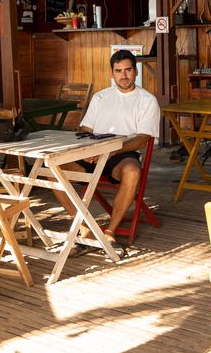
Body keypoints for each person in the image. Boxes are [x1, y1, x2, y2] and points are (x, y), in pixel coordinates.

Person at [54, 49, 160, 246]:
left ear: (135, 71)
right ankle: (85, 227)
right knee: (52, 171)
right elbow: (85, 129)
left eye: (128, 70)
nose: (124, 75)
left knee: (132, 172)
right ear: (112, 73)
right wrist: (86, 151)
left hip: (122, 153)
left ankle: (110, 230)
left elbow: (142, 139)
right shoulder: (100, 97)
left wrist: (112, 150)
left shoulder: (147, 100)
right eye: (118, 71)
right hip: (93, 151)